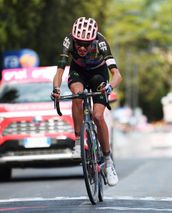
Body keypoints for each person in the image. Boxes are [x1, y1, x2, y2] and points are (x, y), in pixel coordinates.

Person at [51, 17, 122, 186]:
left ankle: (108, 161)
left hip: (99, 74)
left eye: (86, 44)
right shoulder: (68, 41)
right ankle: (77, 140)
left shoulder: (101, 42)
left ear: (93, 40)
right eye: (79, 43)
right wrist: (56, 89)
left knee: (98, 116)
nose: (82, 48)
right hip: (79, 72)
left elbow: (117, 75)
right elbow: (60, 71)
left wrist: (110, 87)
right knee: (77, 93)